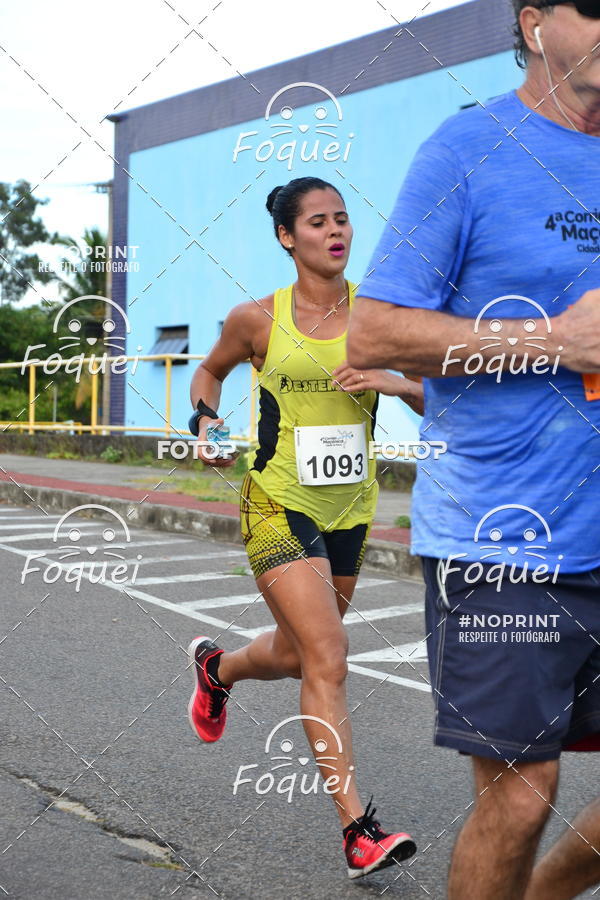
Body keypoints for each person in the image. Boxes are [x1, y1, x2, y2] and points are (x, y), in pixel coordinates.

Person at [348, 2, 600, 898]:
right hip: (507, 541)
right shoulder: (468, 151)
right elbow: (372, 333)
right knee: (523, 798)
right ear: (535, 23)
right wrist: (556, 344)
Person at [186, 176, 422, 879]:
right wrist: (204, 420)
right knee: (328, 654)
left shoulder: (380, 321)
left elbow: (437, 397)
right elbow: (209, 371)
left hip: (351, 508)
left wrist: (394, 383)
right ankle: (359, 831)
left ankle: (217, 668)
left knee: (299, 654)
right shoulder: (257, 318)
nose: (334, 231)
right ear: (288, 237)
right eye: (317, 222)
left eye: (343, 219)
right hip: (276, 500)